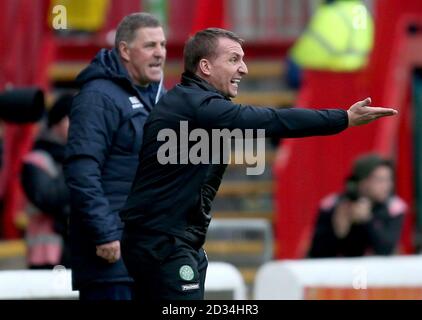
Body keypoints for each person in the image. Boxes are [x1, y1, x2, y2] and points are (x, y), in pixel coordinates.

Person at [119, 27, 397, 301]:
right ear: (204, 66)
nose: (244, 69)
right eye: (233, 60)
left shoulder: (193, 103)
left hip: (172, 240)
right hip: (163, 243)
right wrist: (343, 118)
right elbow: (270, 120)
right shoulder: (197, 104)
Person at [64, 12, 166, 300]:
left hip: (147, 254)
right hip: (111, 258)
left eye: (163, 44)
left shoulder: (157, 97)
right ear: (124, 50)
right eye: (150, 46)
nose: (160, 53)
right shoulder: (99, 97)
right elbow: (82, 171)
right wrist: (105, 233)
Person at [308, 154, 407, 258]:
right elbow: (317, 253)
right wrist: (337, 230)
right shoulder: (332, 205)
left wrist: (368, 220)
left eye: (388, 180)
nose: (386, 186)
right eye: (380, 180)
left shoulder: (394, 208)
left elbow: (386, 249)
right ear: (362, 182)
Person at [21, 93, 72, 269]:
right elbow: (48, 198)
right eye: (71, 118)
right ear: (57, 122)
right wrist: (77, 166)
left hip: (78, 254)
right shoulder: (36, 160)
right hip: (46, 256)